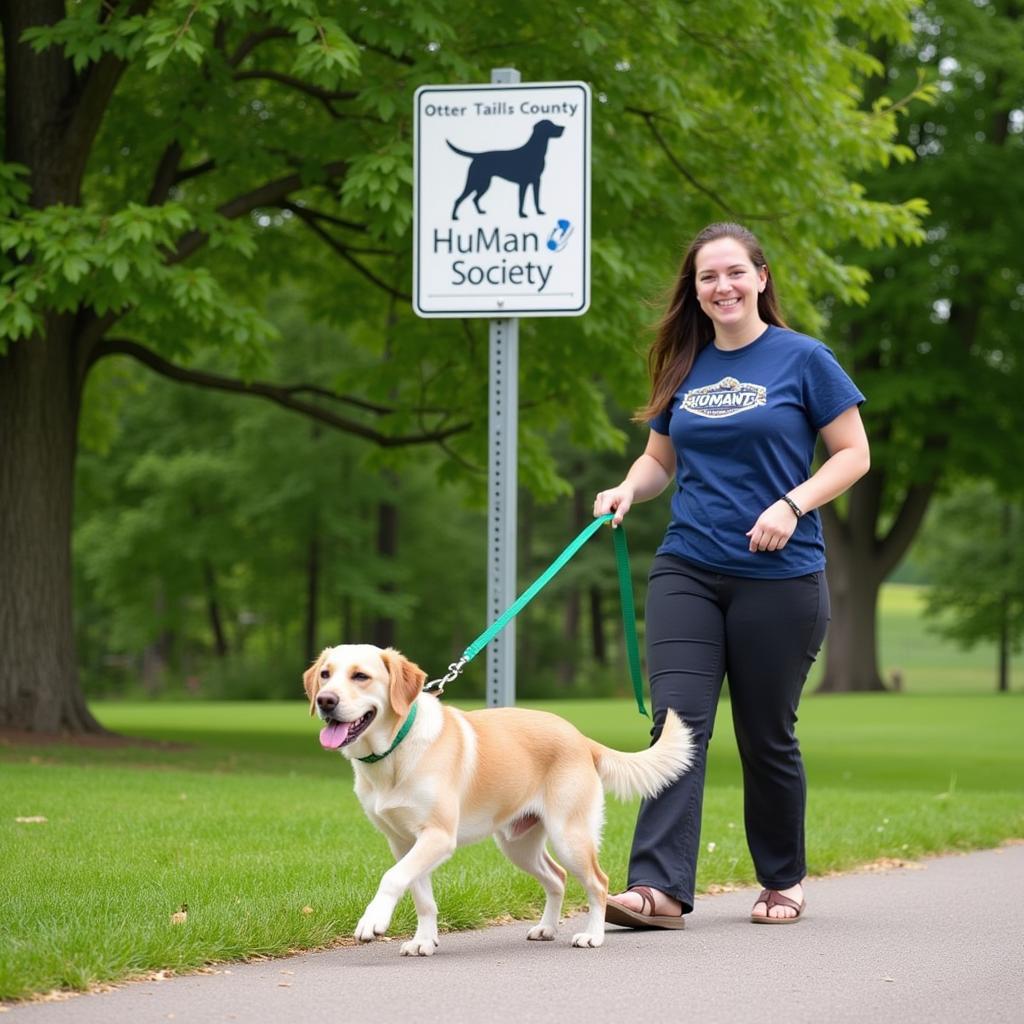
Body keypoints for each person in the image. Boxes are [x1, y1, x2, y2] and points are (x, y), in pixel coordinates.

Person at [594, 222, 869, 926]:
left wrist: (792, 502)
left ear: (761, 278)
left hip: (780, 577)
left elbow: (851, 454)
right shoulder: (684, 365)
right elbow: (660, 461)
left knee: (764, 732)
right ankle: (656, 890)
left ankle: (782, 879)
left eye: (734, 273)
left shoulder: (804, 359)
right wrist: (629, 487)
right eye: (707, 277)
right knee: (677, 724)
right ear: (696, 291)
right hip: (688, 565)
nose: (722, 286)